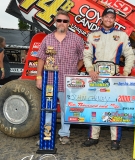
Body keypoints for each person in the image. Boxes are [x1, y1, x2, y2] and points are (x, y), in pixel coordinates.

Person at [82, 8, 135, 150]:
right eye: (107, 16)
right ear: (102, 17)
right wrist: (90, 70)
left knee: (115, 107)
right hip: (96, 77)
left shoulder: (122, 35)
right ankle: (93, 137)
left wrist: (126, 72)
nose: (109, 19)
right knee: (95, 106)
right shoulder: (93, 35)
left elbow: (130, 55)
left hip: (114, 77)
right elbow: (87, 55)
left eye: (112, 17)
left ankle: (115, 139)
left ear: (115, 20)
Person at [36, 10, 84, 144]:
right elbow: (41, 58)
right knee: (48, 109)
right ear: (55, 22)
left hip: (68, 82)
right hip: (50, 81)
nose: (62, 23)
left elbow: (83, 58)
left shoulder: (76, 39)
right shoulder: (47, 38)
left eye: (65, 21)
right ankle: (46, 135)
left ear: (69, 23)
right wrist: (39, 77)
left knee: (66, 109)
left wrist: (75, 70)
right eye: (59, 20)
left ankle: (64, 134)